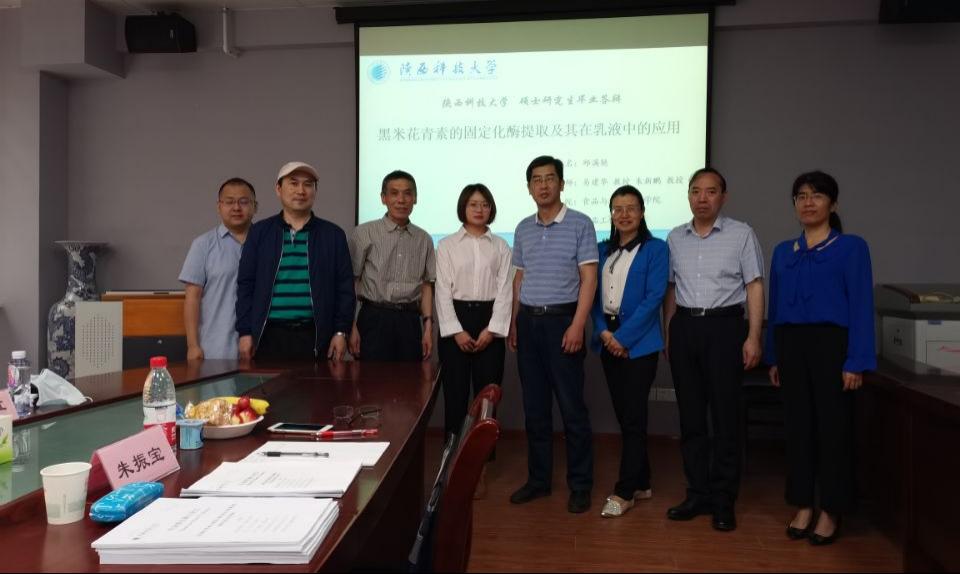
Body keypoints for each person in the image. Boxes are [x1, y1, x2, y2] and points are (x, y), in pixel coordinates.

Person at [766, 170, 875, 546]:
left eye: (816, 195)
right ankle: (802, 504)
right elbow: (775, 308)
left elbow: (861, 305)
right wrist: (773, 356)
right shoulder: (784, 251)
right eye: (801, 196)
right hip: (791, 346)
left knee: (834, 430)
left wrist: (856, 360)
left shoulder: (851, 247)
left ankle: (831, 509)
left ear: (833, 203)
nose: (808, 202)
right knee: (797, 429)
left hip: (833, 346)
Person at [663, 167, 764, 532]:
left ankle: (723, 499)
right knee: (691, 418)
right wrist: (669, 333)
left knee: (724, 417)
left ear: (723, 196)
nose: (702, 198)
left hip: (725, 328)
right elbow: (671, 289)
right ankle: (697, 493)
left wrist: (753, 337)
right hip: (685, 327)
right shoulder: (675, 237)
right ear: (688, 196)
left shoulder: (741, 234)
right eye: (695, 191)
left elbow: (754, 286)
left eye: (710, 191)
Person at [508, 155, 599, 514]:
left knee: (572, 408)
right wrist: (514, 322)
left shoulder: (580, 223)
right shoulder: (522, 228)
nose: (543, 185)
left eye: (549, 178)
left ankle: (580, 484)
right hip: (528, 323)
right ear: (529, 187)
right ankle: (538, 480)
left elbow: (589, 278)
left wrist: (577, 324)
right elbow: (519, 278)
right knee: (535, 408)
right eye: (536, 179)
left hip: (563, 321)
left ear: (561, 183)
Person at [590, 185, 669, 518]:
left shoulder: (656, 249)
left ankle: (624, 491)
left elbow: (654, 298)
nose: (624, 214)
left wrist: (622, 338)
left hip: (639, 344)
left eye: (631, 208)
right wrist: (604, 332)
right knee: (626, 416)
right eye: (617, 209)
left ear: (642, 212)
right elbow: (591, 295)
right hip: (607, 338)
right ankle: (643, 482)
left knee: (634, 416)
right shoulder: (601, 249)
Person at [236, 161, 355, 362]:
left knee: (317, 384)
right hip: (268, 335)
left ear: (315, 191)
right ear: (278, 189)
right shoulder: (260, 233)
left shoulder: (333, 235)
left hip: (316, 336)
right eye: (293, 183)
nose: (301, 190)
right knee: (268, 384)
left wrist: (341, 331)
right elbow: (246, 285)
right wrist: (245, 332)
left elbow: (345, 288)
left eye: (308, 184)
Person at [436, 184, 512, 437]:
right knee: (455, 396)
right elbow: (442, 291)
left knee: (487, 399)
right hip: (456, 322)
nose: (479, 209)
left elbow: (505, 290)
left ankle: (484, 456)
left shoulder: (501, 246)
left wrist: (492, 330)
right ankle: (452, 454)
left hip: (489, 323)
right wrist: (456, 331)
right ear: (463, 207)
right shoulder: (447, 245)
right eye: (473, 204)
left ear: (491, 209)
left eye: (485, 204)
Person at [349, 170, 436, 362]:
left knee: (410, 378)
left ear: (415, 198)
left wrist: (428, 327)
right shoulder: (364, 233)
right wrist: (351, 325)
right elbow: (351, 282)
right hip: (373, 318)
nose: (401, 200)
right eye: (394, 193)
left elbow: (426, 286)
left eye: (407, 193)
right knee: (370, 378)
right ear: (383, 198)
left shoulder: (424, 239)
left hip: (409, 321)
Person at [179, 177, 257, 360]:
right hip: (215, 350)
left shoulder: (267, 243)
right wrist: (192, 346)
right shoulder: (203, 245)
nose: (236, 208)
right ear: (219, 206)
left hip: (259, 348)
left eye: (244, 202)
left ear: (255, 206)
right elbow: (192, 298)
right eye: (229, 202)